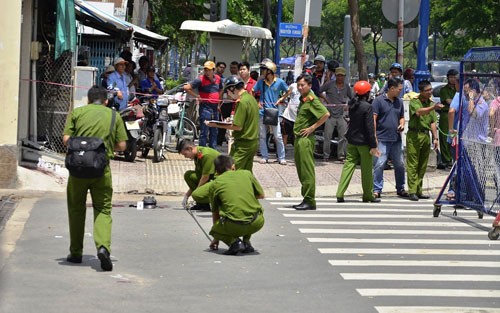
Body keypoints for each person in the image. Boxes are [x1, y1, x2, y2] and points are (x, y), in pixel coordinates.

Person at [63, 86, 128, 271]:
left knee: (76, 209)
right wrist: (104, 148)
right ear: (106, 101)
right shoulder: (114, 116)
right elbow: (122, 145)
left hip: (77, 170)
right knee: (103, 209)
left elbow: (66, 139)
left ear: (88, 100)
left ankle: (76, 253)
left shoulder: (77, 112)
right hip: (101, 170)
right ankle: (103, 247)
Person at [206, 155, 265, 255]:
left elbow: (215, 213)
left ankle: (234, 242)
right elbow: (261, 195)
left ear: (216, 171)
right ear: (233, 167)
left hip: (234, 226)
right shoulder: (247, 174)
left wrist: (217, 238)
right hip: (257, 222)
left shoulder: (215, 184)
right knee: (249, 207)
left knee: (214, 230)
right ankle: (246, 242)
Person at [336, 81, 381, 203]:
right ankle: (368, 195)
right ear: (367, 93)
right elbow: (369, 127)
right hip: (364, 143)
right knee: (366, 170)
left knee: (348, 166)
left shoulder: (352, 104)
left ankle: (340, 193)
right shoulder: (367, 107)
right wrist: (373, 145)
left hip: (351, 141)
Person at [205, 75, 259, 172]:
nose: (228, 94)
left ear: (233, 88)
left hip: (243, 144)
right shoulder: (251, 99)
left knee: (229, 170)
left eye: (228, 91)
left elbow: (237, 127)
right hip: (252, 142)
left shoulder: (242, 102)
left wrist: (216, 124)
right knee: (246, 173)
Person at [292, 74, 330, 210]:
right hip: (299, 138)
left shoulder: (312, 99)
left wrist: (312, 128)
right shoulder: (304, 99)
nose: (300, 87)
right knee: (301, 170)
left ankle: (309, 200)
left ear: (309, 85)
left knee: (307, 170)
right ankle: (306, 198)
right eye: (299, 85)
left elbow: (325, 114)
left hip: (306, 140)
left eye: (303, 85)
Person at [372, 77, 409, 199]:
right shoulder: (378, 101)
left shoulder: (399, 102)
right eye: (399, 89)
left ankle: (400, 188)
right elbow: (374, 120)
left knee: (400, 164)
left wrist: (402, 124)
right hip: (382, 138)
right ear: (391, 88)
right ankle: (377, 189)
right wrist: (374, 136)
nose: (400, 91)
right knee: (380, 163)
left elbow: (401, 117)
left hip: (396, 138)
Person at [406, 80, 442, 201]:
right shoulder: (415, 102)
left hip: (426, 136)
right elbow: (418, 112)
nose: (430, 92)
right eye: (427, 90)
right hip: (414, 135)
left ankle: (418, 190)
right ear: (421, 92)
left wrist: (435, 138)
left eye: (431, 89)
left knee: (422, 165)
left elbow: (432, 122)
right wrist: (433, 107)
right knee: (413, 164)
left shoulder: (430, 103)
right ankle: (412, 191)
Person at [252, 61, 288, 165]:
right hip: (262, 112)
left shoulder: (280, 82)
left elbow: (288, 90)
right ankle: (264, 156)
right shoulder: (261, 82)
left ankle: (282, 157)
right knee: (262, 135)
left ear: (269, 71)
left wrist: (281, 99)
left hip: (274, 112)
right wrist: (257, 102)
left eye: (264, 70)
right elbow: (253, 91)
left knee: (277, 136)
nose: (262, 72)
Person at [184, 61, 223, 148]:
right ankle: (202, 150)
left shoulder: (218, 79)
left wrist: (219, 102)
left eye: (209, 70)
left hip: (215, 108)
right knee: (204, 131)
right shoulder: (200, 79)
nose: (207, 72)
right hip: (205, 108)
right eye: (205, 69)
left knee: (214, 131)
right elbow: (186, 87)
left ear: (213, 70)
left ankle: (212, 150)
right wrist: (197, 96)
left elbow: (221, 90)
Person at [319, 66, 353, 162]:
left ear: (344, 76)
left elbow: (352, 98)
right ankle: (326, 155)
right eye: (338, 75)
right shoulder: (329, 84)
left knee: (343, 137)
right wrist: (327, 101)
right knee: (327, 136)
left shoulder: (346, 87)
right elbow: (319, 91)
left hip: (341, 115)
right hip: (330, 115)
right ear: (335, 76)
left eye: (342, 76)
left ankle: (341, 155)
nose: (340, 78)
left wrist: (348, 105)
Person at [179, 140, 220, 211]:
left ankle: (212, 202)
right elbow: (199, 178)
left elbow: (205, 177)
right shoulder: (197, 155)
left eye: (185, 154)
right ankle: (202, 204)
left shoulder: (206, 155)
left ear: (190, 149)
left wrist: (196, 194)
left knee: (197, 192)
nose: (185, 157)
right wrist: (186, 196)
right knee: (189, 175)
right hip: (210, 179)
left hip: (218, 180)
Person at [438, 69, 459, 169]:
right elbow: (449, 101)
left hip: (456, 115)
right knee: (445, 137)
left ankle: (453, 157)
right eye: (451, 77)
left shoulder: (458, 89)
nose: (453, 79)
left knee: (455, 136)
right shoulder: (444, 90)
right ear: (448, 78)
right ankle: (446, 160)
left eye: (454, 77)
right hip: (446, 114)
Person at [278, 79, 301, 146]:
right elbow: (287, 93)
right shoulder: (293, 86)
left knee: (297, 136)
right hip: (288, 116)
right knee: (285, 135)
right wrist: (282, 99)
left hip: (299, 118)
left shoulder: (308, 91)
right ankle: (282, 153)